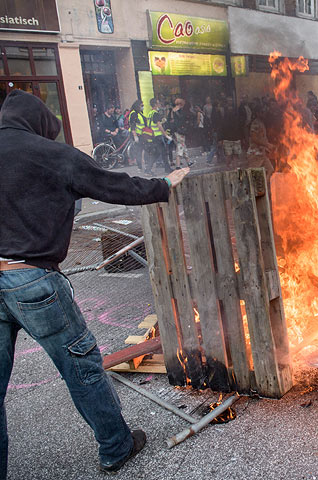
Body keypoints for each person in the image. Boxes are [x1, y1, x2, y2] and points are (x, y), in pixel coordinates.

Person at [0, 90, 190, 478]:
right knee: (82, 366)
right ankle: (116, 446)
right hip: (32, 280)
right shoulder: (52, 155)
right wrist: (163, 185)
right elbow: (115, 187)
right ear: (38, 123)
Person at [144, 98, 171, 174]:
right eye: (158, 103)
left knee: (157, 153)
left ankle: (148, 169)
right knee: (163, 153)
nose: (159, 104)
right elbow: (159, 126)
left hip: (153, 136)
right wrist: (165, 135)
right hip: (158, 136)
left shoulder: (150, 113)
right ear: (155, 104)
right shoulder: (155, 113)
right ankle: (167, 169)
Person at [128, 99, 146, 171]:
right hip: (136, 134)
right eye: (141, 105)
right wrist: (135, 136)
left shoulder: (139, 113)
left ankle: (142, 164)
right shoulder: (133, 114)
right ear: (137, 106)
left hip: (141, 134)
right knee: (139, 150)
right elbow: (133, 125)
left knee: (141, 150)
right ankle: (140, 166)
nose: (142, 107)